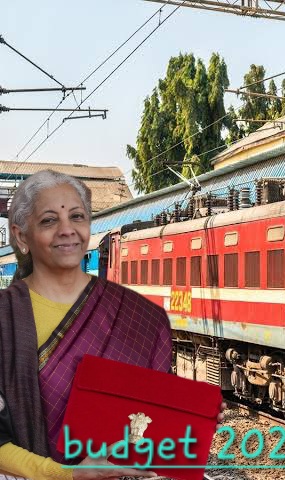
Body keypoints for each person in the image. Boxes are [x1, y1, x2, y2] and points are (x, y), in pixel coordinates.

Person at [0, 170, 223, 480]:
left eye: (77, 217)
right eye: (49, 220)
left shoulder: (137, 315)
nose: (67, 231)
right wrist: (66, 474)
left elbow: (143, 406)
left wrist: (192, 414)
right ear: (22, 237)